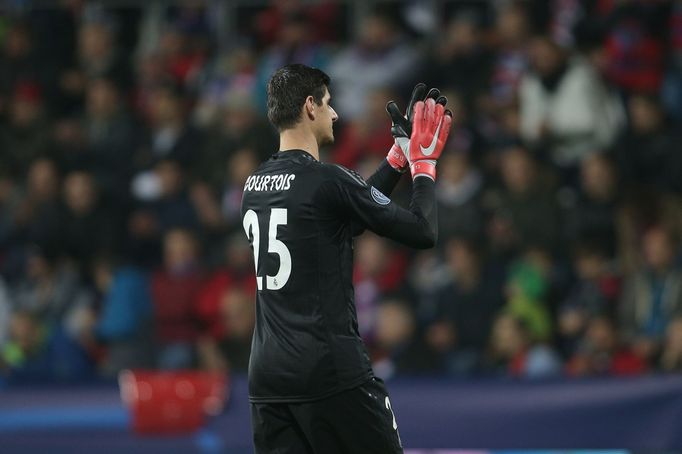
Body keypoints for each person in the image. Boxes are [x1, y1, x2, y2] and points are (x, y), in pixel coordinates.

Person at [241, 64, 452, 453]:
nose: (335, 113)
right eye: (328, 103)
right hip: (328, 369)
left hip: (268, 377)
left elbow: (340, 222)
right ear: (310, 106)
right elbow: (422, 231)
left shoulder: (254, 186)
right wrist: (424, 164)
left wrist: (396, 159)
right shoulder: (326, 179)